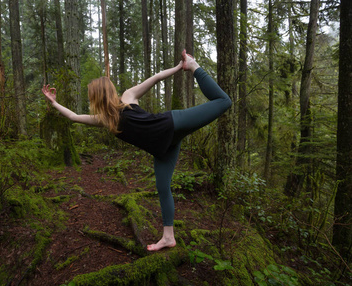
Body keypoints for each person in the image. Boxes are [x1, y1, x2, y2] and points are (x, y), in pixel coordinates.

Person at [42, 50, 232, 251]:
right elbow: (73, 116)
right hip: (164, 148)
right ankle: (168, 237)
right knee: (163, 188)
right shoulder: (105, 120)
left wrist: (181, 67)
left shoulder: (127, 98)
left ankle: (194, 67)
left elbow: (155, 78)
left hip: (172, 124)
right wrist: (54, 102)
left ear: (96, 98)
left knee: (223, 102)